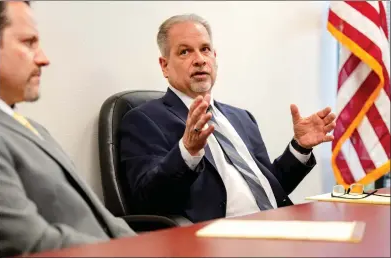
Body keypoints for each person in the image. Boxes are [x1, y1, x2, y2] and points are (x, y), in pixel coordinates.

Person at [119, 14, 336, 223]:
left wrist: (300, 148)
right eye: (185, 52)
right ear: (164, 65)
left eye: (205, 49)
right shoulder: (143, 120)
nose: (199, 60)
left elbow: (271, 188)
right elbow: (147, 199)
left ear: (215, 56)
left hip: (278, 224)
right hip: (216, 239)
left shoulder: (241, 118)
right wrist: (187, 152)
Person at [0, 1, 136, 257]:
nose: (43, 58)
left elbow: (105, 220)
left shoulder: (33, 128)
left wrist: (150, 249)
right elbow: (27, 241)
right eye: (29, 43)